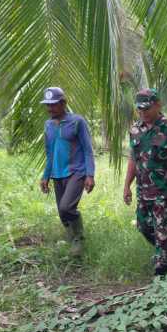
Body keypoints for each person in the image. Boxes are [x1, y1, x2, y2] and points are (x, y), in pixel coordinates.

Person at [123, 88, 167, 276]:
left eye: (147, 109)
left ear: (158, 105)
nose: (143, 113)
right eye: (140, 110)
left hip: (164, 192)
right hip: (143, 191)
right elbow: (133, 160)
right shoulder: (135, 130)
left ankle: (163, 271)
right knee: (143, 227)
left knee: (162, 231)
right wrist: (127, 185)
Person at [39, 87, 95, 257]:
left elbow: (87, 150)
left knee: (66, 207)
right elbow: (49, 152)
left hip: (76, 172)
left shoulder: (77, 122)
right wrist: (45, 176)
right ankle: (72, 240)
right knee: (62, 214)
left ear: (63, 103)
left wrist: (90, 175)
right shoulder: (48, 125)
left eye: (53, 105)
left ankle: (79, 238)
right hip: (57, 174)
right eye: (47, 105)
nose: (49, 109)